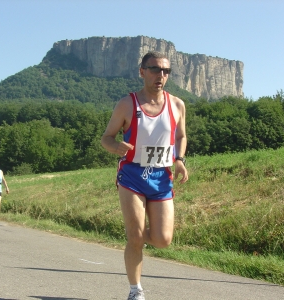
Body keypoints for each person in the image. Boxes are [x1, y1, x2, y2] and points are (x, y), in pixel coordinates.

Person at [101, 51, 189, 300]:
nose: (160, 75)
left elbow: (181, 136)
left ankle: (135, 238)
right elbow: (105, 138)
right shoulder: (127, 104)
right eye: (154, 69)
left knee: (163, 240)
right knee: (136, 236)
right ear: (142, 72)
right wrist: (115, 145)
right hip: (132, 174)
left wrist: (180, 160)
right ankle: (135, 290)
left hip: (162, 176)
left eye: (165, 71)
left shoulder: (177, 105)